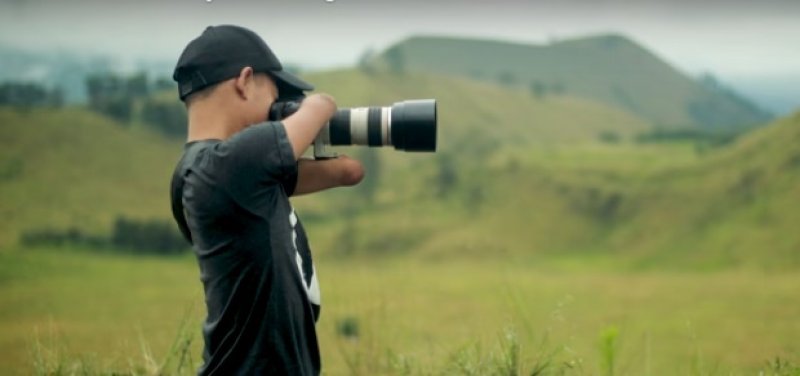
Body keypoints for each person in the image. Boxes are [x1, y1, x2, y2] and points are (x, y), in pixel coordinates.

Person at [169, 24, 364, 375]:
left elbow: (349, 172)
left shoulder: (208, 173)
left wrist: (299, 130)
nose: (278, 107)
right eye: (275, 96)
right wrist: (310, 110)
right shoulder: (228, 164)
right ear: (244, 81)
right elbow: (323, 104)